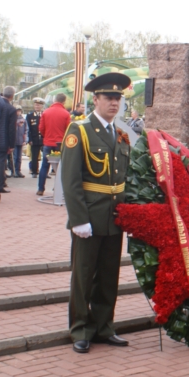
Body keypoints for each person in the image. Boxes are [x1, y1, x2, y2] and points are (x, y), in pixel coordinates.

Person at [61, 72, 132, 354]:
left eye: (118, 98)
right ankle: (80, 328)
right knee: (83, 275)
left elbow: (125, 177)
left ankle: (103, 327)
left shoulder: (121, 132)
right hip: (89, 216)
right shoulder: (79, 130)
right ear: (96, 99)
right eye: (109, 98)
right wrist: (79, 219)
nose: (114, 103)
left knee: (108, 275)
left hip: (114, 217)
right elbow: (71, 180)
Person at [38, 93, 72, 196]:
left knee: (44, 166)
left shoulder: (46, 112)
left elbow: (41, 128)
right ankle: (57, 188)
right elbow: (68, 130)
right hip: (60, 144)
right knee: (60, 167)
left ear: (54, 100)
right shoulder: (66, 114)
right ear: (64, 102)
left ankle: (40, 189)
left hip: (48, 142)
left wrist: (46, 136)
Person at [27, 97, 44, 178]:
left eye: (39, 105)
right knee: (34, 156)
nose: (37, 106)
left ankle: (44, 172)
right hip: (34, 138)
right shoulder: (30, 116)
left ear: (42, 106)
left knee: (46, 156)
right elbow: (28, 129)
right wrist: (29, 139)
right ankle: (34, 171)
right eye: (36, 105)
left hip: (43, 138)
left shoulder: (44, 114)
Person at [12, 107, 28, 178]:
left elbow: (26, 130)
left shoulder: (23, 120)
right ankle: (14, 171)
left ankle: (18, 170)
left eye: (19, 111)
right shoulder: (13, 119)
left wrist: (25, 140)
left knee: (19, 157)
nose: (18, 112)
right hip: (14, 141)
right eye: (17, 111)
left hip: (21, 140)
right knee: (14, 157)